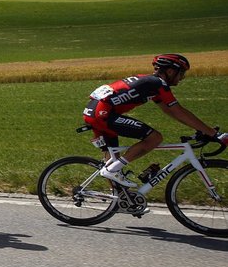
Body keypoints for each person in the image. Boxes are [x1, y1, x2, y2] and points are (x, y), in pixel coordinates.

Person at [83, 53, 227, 187]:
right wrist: (213, 133)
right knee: (154, 138)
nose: (182, 78)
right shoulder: (158, 84)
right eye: (181, 73)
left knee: (113, 159)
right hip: (103, 115)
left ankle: (120, 198)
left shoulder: (150, 83)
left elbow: (170, 111)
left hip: (95, 113)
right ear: (170, 71)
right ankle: (112, 170)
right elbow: (179, 111)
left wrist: (200, 129)